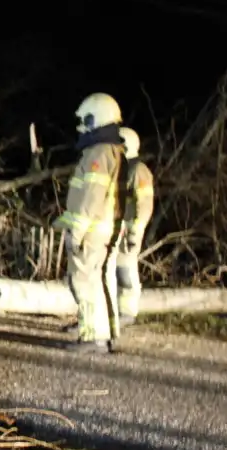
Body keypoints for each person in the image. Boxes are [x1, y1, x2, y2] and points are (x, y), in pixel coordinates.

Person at [55, 93, 127, 353]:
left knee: (86, 282)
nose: (82, 126)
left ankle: (92, 338)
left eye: (86, 120)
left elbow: (89, 198)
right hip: (102, 227)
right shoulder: (112, 151)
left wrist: (76, 232)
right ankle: (102, 334)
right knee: (98, 280)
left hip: (92, 230)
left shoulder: (98, 153)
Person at [116, 127, 154, 328]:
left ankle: (128, 312)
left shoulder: (138, 171)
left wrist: (135, 231)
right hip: (113, 230)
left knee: (125, 270)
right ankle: (111, 314)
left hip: (127, 230)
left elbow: (145, 205)